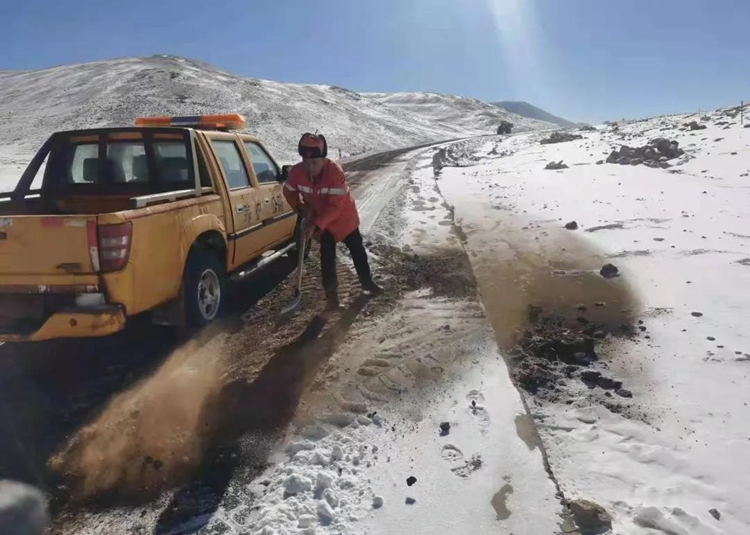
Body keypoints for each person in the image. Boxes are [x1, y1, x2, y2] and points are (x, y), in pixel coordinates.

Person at [283, 133, 383, 311]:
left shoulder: (335, 172)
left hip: (344, 218)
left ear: (323, 159)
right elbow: (288, 191)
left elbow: (336, 207)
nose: (310, 167)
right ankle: (332, 299)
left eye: (315, 162)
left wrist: (315, 225)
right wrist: (301, 208)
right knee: (327, 256)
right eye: (306, 162)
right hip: (320, 220)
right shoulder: (298, 172)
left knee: (357, 250)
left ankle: (368, 284)